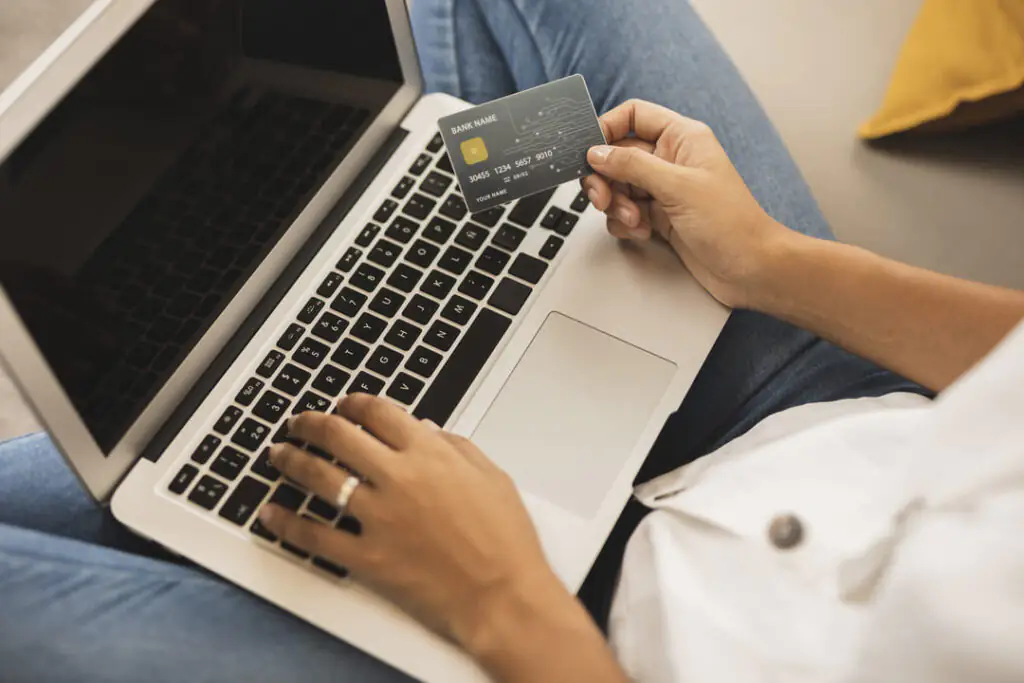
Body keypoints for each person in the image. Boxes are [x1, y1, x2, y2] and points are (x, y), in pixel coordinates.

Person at [3, 0, 1024, 681]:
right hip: (806, 409)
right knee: (406, 178)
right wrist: (766, 261)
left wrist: (497, 594)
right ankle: (263, 126)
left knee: (140, 458)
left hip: (553, 642)